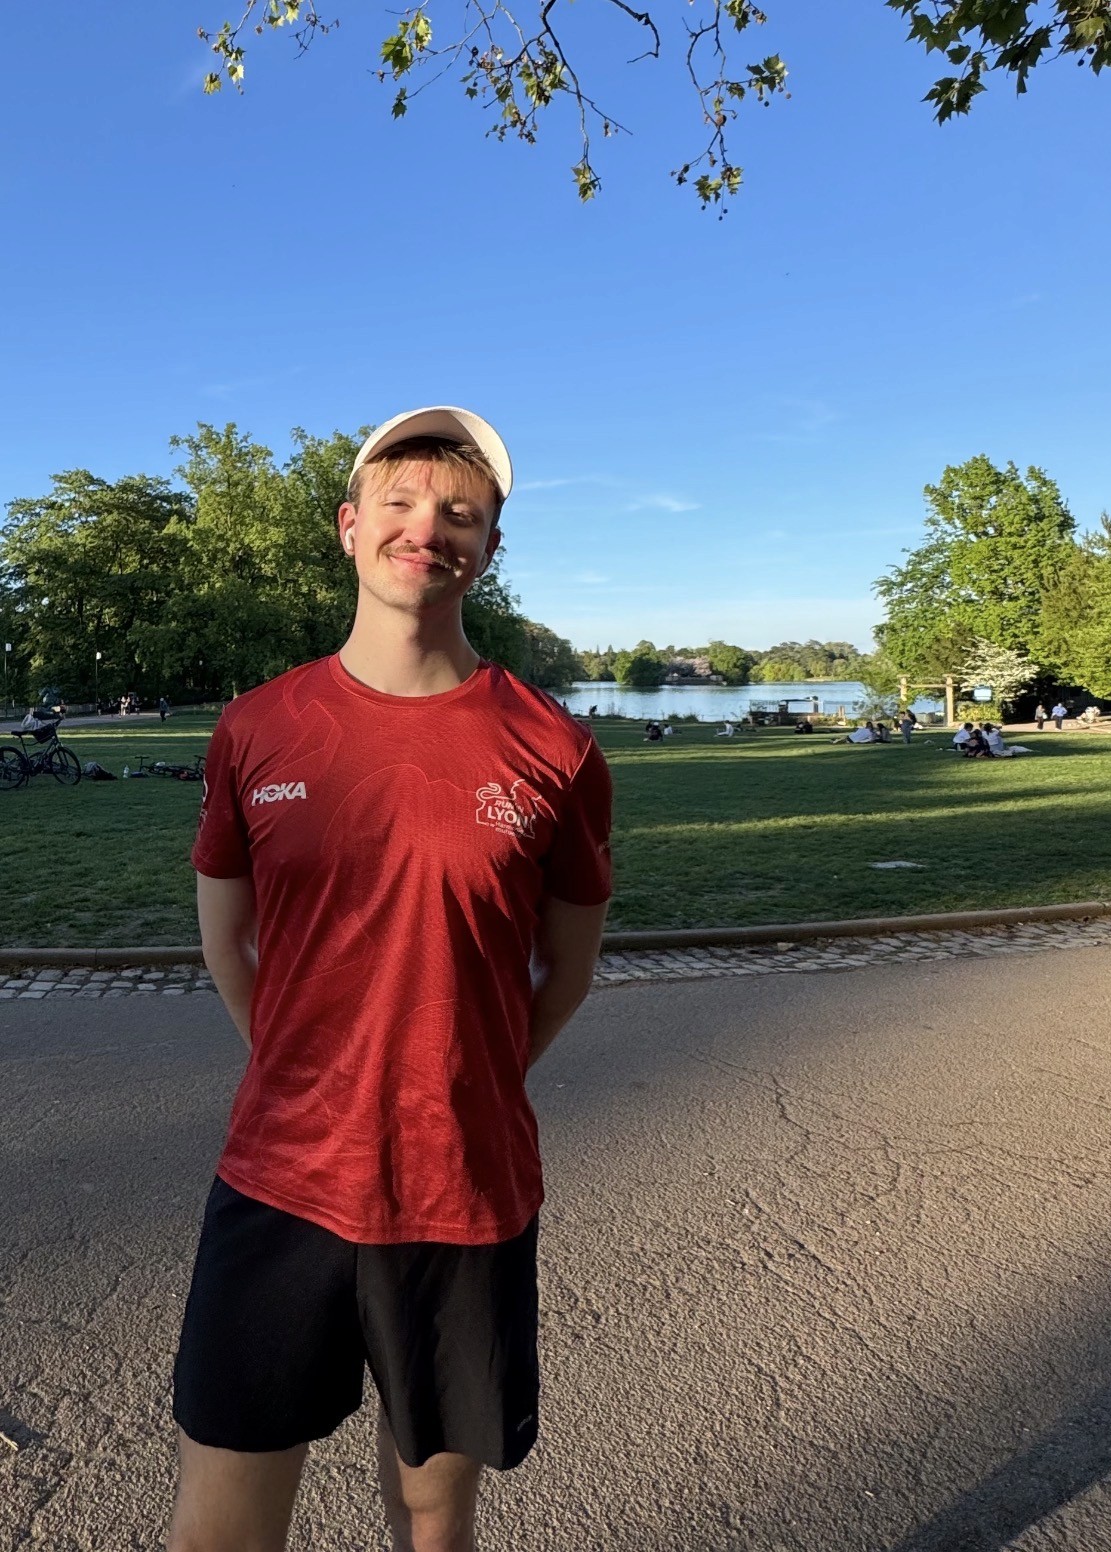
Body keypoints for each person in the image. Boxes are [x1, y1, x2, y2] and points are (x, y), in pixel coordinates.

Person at [168, 407, 613, 1552]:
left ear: (489, 549)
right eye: (402, 502)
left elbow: (565, 967)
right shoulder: (258, 727)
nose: (429, 527)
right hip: (280, 1180)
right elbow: (228, 940)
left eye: (461, 512)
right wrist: (306, 1067)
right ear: (349, 525)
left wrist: (462, 1075)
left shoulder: (555, 749)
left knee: (431, 1517)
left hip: (463, 1192)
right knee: (221, 1524)